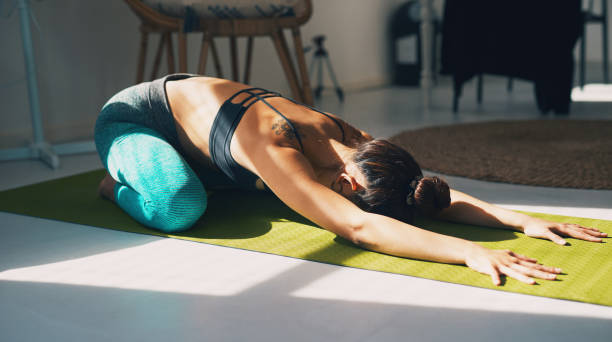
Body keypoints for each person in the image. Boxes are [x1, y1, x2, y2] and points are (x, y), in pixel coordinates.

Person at [95, 74, 607, 286]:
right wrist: (469, 252)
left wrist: (517, 219)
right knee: (181, 205)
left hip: (203, 132)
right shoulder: (274, 146)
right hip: (134, 118)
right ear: (350, 186)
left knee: (255, 189)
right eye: (355, 200)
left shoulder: (355, 142)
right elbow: (359, 229)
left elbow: (420, 187)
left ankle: (202, 169)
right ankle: (117, 181)